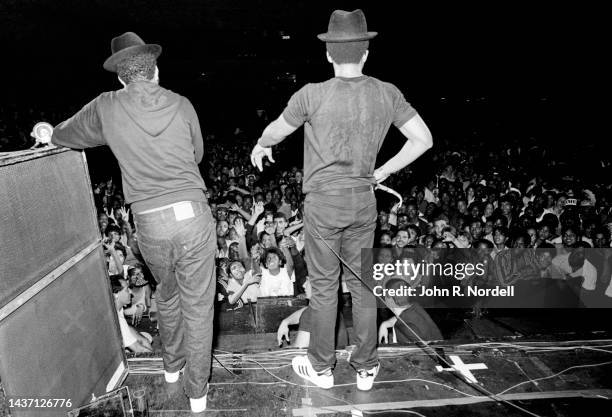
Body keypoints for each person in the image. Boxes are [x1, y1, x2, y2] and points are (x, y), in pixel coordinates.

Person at [250, 9, 433, 391]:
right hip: (363, 202)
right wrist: (382, 172)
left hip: (323, 205)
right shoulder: (387, 92)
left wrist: (261, 144)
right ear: (365, 53)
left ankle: (322, 368)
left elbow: (275, 132)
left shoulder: (311, 94)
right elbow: (423, 140)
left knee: (324, 286)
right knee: (363, 285)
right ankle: (366, 368)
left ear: (329, 54)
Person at [51, 32, 215, 413]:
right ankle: (198, 394)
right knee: (199, 305)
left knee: (168, 292)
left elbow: (66, 135)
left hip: (150, 224)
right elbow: (198, 153)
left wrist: (48, 131)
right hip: (191, 215)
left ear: (121, 78)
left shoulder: (106, 105)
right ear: (155, 71)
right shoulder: (181, 103)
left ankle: (172, 368)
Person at [110, 275, 153, 353]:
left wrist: (144, 340)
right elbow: (138, 349)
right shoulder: (115, 319)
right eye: (127, 290)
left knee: (146, 339)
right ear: (115, 295)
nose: (131, 291)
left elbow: (129, 329)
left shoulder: (118, 307)